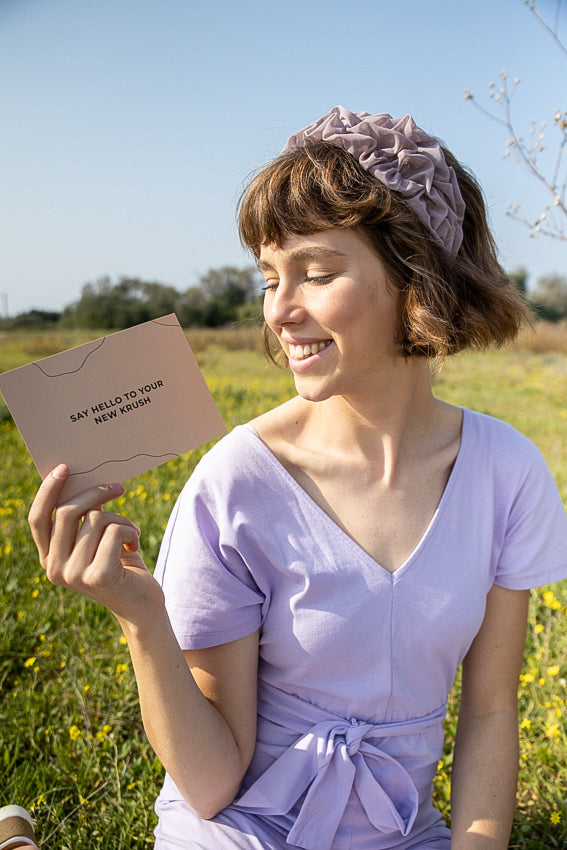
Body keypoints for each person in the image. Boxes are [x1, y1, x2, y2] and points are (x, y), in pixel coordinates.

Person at [28, 106, 567, 850]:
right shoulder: (236, 485)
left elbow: (487, 715)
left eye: (314, 273)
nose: (279, 312)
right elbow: (215, 782)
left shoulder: (507, 473)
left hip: (397, 833)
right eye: (268, 278)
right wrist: (141, 618)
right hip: (242, 828)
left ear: (417, 281)